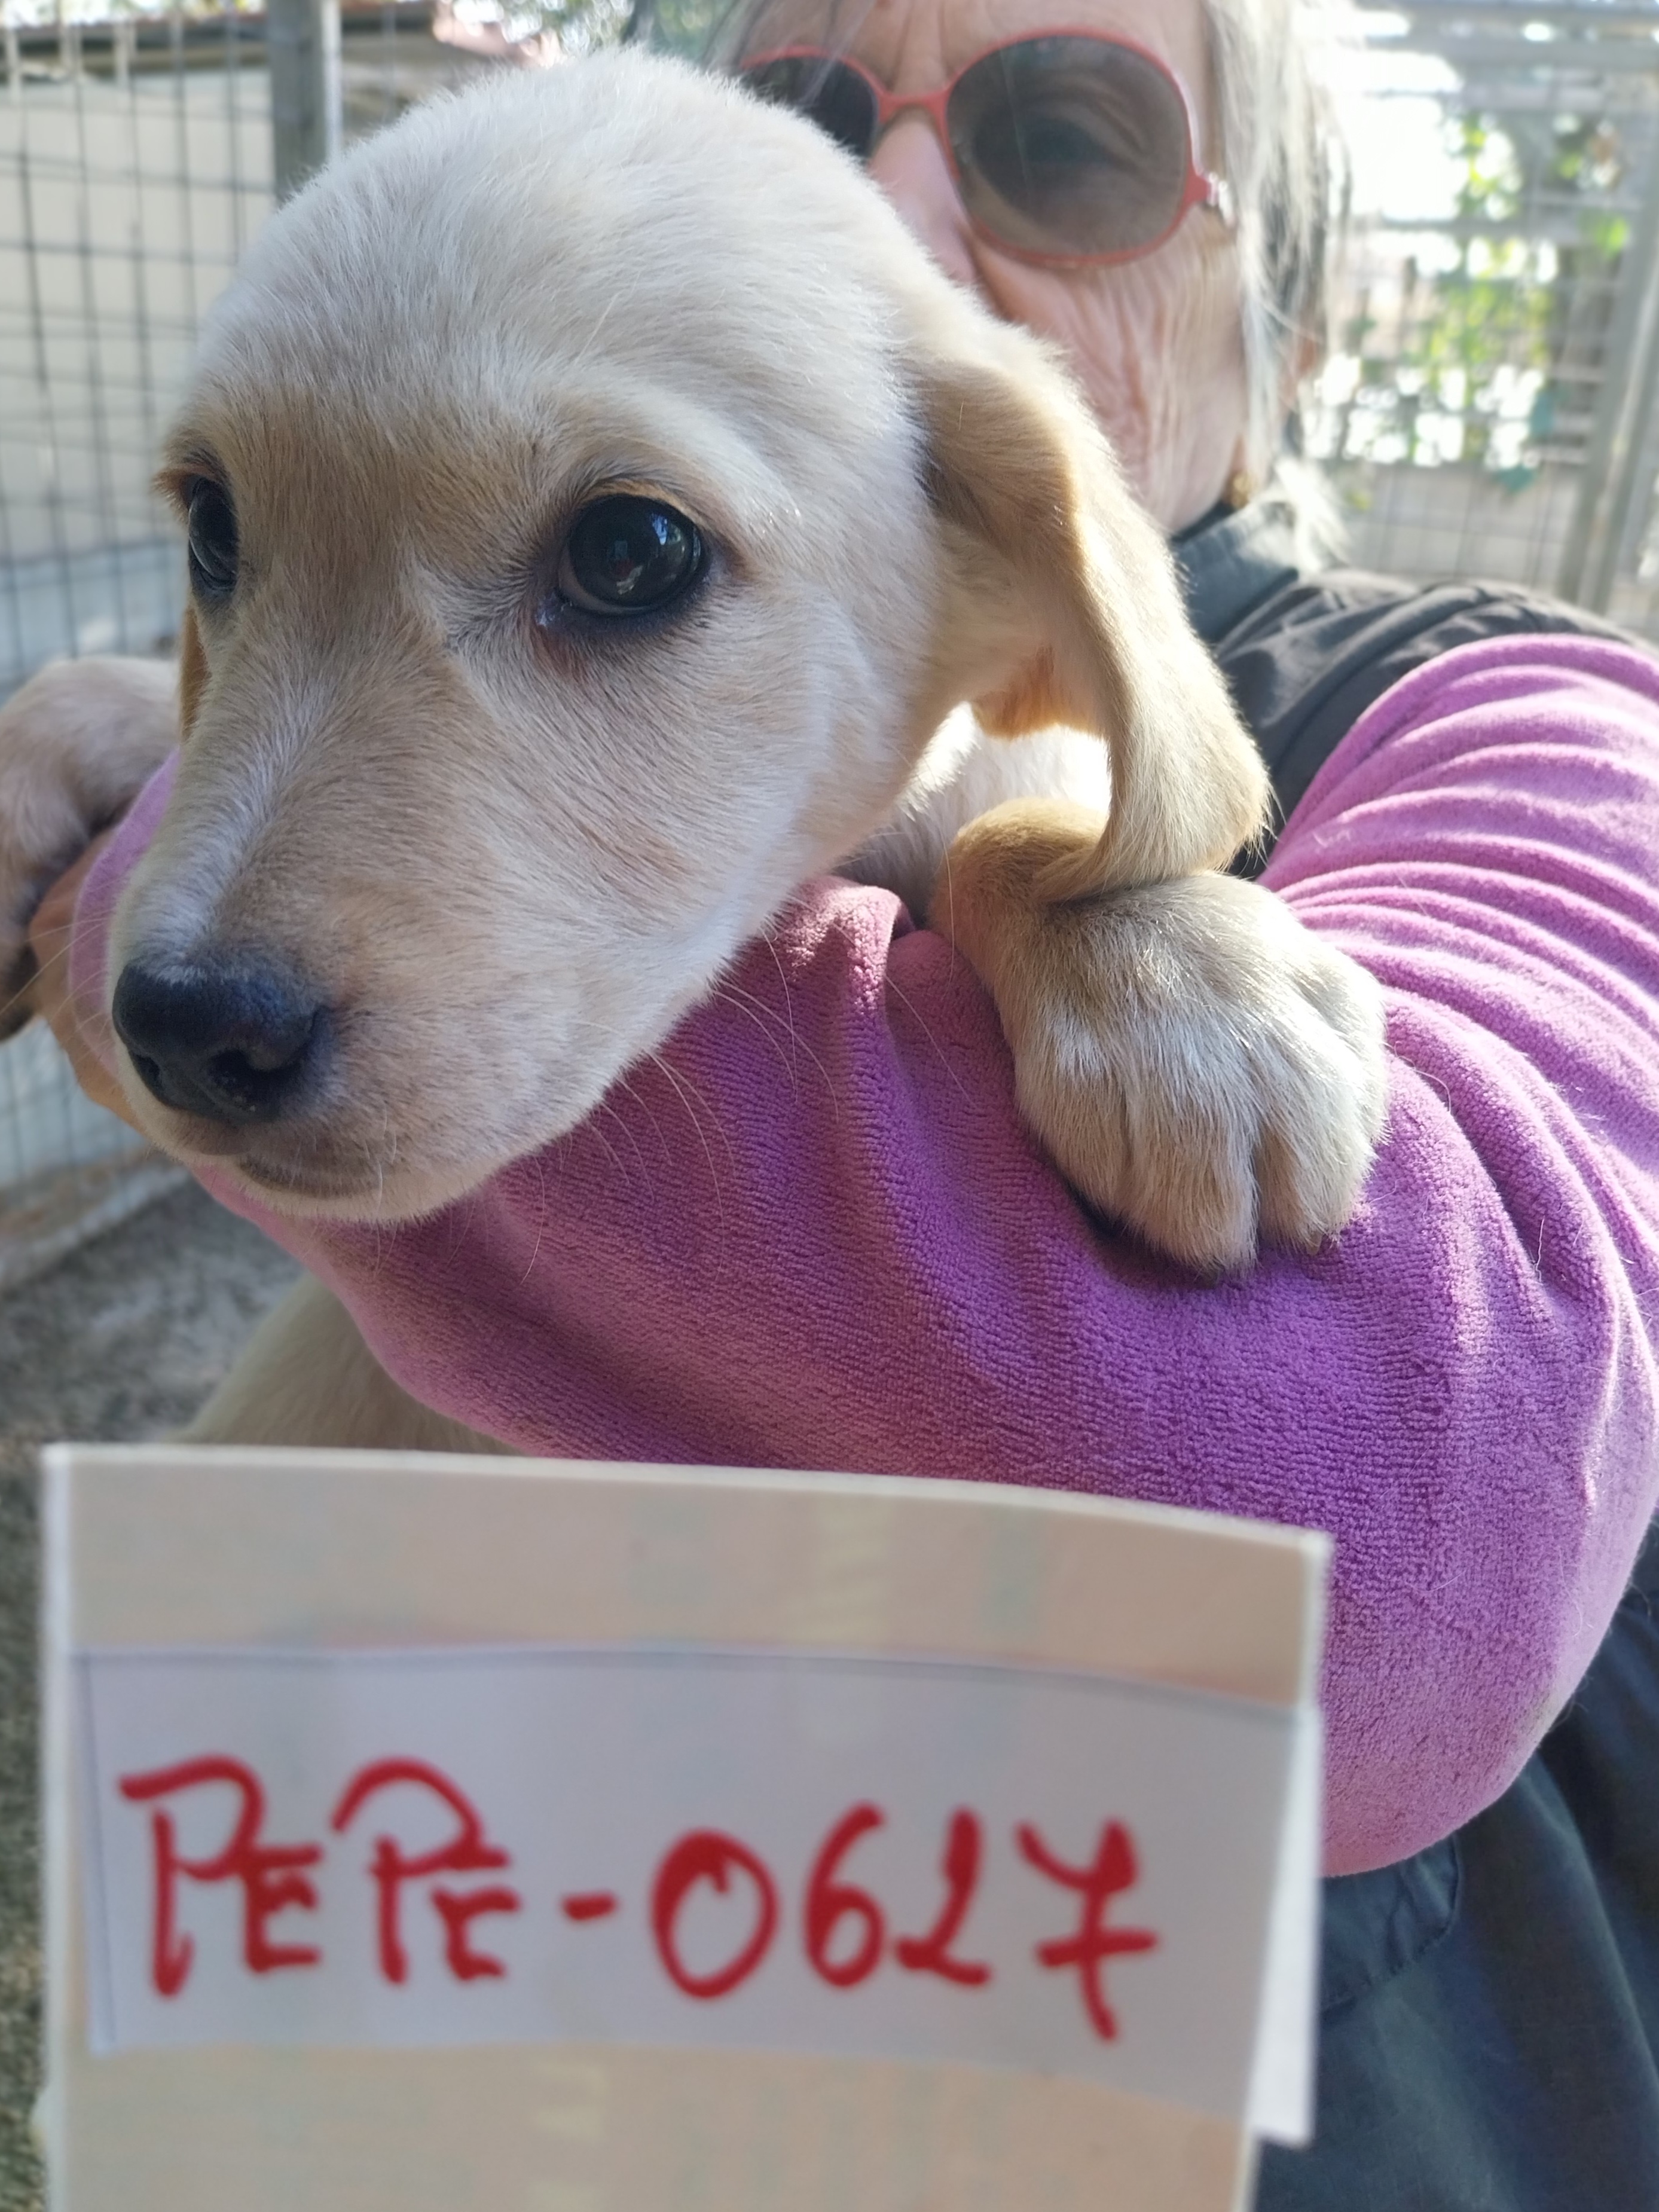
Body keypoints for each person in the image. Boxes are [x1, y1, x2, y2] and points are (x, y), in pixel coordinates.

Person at [23, 0, 1659, 2199]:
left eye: (1060, 136)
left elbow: (1394, 1520)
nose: (878, 194)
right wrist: (163, 741)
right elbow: (280, 821)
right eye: (789, 112)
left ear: (1271, 298)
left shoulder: (1510, 715)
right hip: (425, 1949)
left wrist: (1075, 891)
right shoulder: (715, 580)